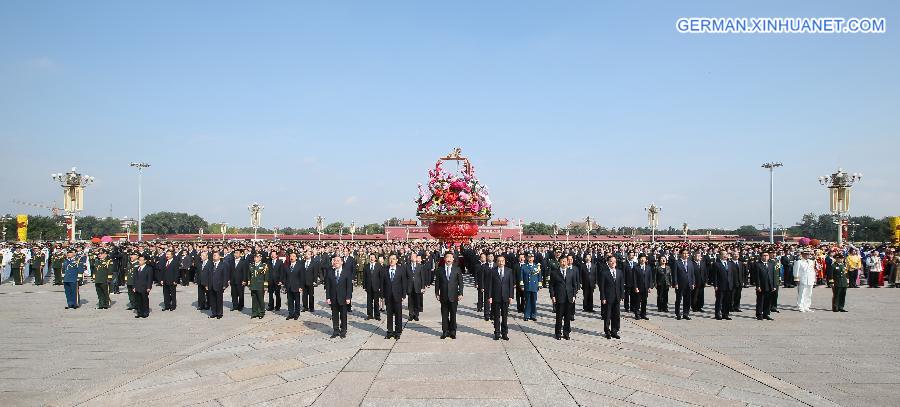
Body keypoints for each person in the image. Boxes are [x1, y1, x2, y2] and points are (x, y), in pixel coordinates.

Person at [434, 252, 463, 339]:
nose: (449, 259)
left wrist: (461, 293)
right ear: (444, 259)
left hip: (454, 295)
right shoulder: (440, 269)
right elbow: (437, 283)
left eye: (450, 257)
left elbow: (460, 283)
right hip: (443, 295)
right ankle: (445, 331)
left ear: (453, 259)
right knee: (444, 314)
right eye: (447, 257)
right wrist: (437, 293)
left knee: (453, 314)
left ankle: (453, 331)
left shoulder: (457, 269)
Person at [486, 255, 514, 340]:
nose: (501, 262)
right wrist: (489, 296)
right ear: (496, 262)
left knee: (505, 316)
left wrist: (511, 296)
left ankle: (504, 333)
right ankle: (497, 333)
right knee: (496, 316)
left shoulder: (509, 271)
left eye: (502, 261)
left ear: (504, 262)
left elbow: (511, 285)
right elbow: (489, 285)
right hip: (496, 297)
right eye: (499, 261)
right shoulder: (493, 271)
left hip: (505, 297)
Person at [549, 256, 577, 340]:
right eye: (562, 261)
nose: (564, 263)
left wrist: (574, 295)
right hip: (559, 297)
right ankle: (558, 333)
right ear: (559, 262)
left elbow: (574, 285)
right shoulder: (554, 273)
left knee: (568, 317)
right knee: (559, 317)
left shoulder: (571, 272)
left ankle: (566, 333)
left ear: (567, 262)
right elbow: (551, 286)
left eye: (565, 261)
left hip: (569, 298)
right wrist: (553, 296)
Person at [325, 256, 352, 338]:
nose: (336, 262)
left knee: (343, 315)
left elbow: (349, 286)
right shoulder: (330, 272)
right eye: (335, 261)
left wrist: (348, 297)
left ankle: (343, 330)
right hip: (333, 297)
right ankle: (336, 330)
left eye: (338, 261)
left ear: (341, 262)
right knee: (334, 315)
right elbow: (328, 286)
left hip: (343, 298)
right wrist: (328, 297)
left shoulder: (346, 272)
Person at [382, 254, 407, 339]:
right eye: (390, 259)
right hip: (388, 295)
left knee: (398, 314)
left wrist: (404, 294)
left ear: (396, 260)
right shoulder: (385, 270)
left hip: (398, 295)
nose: (392, 260)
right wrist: (382, 295)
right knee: (389, 315)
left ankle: (398, 332)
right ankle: (389, 331)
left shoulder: (401, 269)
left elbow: (404, 282)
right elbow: (383, 284)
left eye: (393, 259)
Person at [598, 255, 624, 339]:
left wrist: (622, 295)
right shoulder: (604, 272)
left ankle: (614, 331)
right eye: (611, 261)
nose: (613, 263)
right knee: (607, 315)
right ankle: (607, 331)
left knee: (616, 315)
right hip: (608, 297)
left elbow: (621, 285)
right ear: (608, 262)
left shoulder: (619, 272)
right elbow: (601, 287)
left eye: (614, 261)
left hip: (617, 297)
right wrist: (603, 298)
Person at [672, 249, 695, 320]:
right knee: (679, 299)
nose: (685, 255)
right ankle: (678, 313)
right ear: (681, 254)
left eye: (687, 254)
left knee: (687, 300)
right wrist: (675, 283)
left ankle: (686, 313)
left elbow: (692, 274)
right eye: (684, 253)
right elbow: (674, 274)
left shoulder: (690, 262)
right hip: (680, 284)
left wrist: (693, 283)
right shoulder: (677, 262)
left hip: (689, 284)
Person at [754, 251, 777, 320]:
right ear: (761, 256)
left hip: (770, 285)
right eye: (764, 255)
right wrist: (758, 286)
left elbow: (773, 275)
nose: (766, 257)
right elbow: (756, 276)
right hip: (762, 286)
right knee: (760, 301)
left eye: (767, 255)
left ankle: (766, 314)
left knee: (768, 301)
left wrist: (774, 286)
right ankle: (759, 314)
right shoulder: (757, 265)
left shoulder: (771, 264)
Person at [712, 250, 733, 320]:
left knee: (727, 301)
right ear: (720, 255)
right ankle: (717, 314)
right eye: (723, 254)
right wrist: (715, 285)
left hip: (729, 285)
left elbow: (731, 275)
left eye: (726, 254)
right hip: (720, 285)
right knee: (719, 300)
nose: (725, 256)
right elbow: (714, 276)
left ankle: (725, 314)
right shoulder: (716, 264)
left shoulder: (730, 263)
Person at [520, 253, 541, 321]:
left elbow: (539, 277)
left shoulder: (536, 266)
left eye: (531, 257)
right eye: (529, 257)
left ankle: (533, 315)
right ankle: (526, 315)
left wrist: (539, 285)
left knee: (534, 301)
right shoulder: (524, 266)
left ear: (533, 258)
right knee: (527, 301)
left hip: (534, 286)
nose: (530, 259)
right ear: (527, 258)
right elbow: (521, 277)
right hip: (527, 286)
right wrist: (522, 285)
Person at [248, 253, 270, 319]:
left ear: (260, 258)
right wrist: (249, 284)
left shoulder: (264, 266)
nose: (256, 258)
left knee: (260, 299)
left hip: (260, 285)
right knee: (254, 299)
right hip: (253, 285)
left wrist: (265, 286)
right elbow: (249, 276)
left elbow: (266, 276)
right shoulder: (251, 265)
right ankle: (254, 312)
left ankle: (261, 312)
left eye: (257, 257)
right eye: (255, 257)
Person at [632, 254, 652, 320]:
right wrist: (635, 287)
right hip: (638, 287)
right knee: (637, 301)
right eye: (641, 258)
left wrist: (649, 287)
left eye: (644, 258)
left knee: (644, 301)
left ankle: (643, 314)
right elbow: (634, 278)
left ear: (646, 260)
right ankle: (637, 314)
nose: (643, 260)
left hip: (645, 287)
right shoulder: (635, 267)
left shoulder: (648, 267)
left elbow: (650, 278)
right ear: (639, 259)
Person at [208, 251, 228, 319]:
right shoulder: (210, 264)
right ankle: (214, 312)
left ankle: (219, 313)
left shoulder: (223, 264)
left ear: (219, 256)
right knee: (212, 300)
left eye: (215, 255)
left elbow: (225, 275)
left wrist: (225, 284)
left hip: (219, 285)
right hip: (211, 284)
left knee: (219, 300)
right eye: (213, 255)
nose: (214, 256)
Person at [133, 254, 154, 318]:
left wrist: (149, 287)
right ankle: (139, 312)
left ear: (145, 261)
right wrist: (134, 287)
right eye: (139, 260)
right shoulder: (137, 268)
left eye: (141, 260)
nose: (140, 261)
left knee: (144, 300)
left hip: (144, 287)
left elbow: (150, 279)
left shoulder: (149, 268)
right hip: (137, 287)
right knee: (138, 300)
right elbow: (135, 278)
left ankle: (145, 312)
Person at [362, 253, 382, 321]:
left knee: (376, 302)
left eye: (373, 257)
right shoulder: (366, 266)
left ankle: (377, 315)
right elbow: (364, 277)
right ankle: (370, 315)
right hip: (368, 287)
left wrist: (380, 286)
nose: (372, 258)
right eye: (370, 257)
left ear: (375, 258)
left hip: (376, 286)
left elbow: (381, 277)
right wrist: (364, 286)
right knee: (369, 302)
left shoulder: (378, 266)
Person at [283, 252, 302, 320]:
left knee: (297, 301)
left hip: (296, 286)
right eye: (291, 256)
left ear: (296, 257)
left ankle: (297, 314)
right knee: (290, 301)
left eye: (293, 256)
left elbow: (302, 277)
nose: (292, 257)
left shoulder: (300, 266)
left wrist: (301, 287)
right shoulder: (287, 266)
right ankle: (290, 313)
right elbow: (285, 276)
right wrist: (284, 285)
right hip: (289, 286)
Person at [407, 253, 425, 321]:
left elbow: (422, 277)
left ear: (416, 258)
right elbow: (406, 277)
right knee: (410, 301)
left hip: (418, 286)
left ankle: (416, 315)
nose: (413, 258)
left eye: (414, 257)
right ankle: (411, 314)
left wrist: (423, 287)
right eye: (412, 257)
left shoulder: (420, 266)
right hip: (410, 286)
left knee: (417, 301)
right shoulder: (407, 266)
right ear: (410, 258)